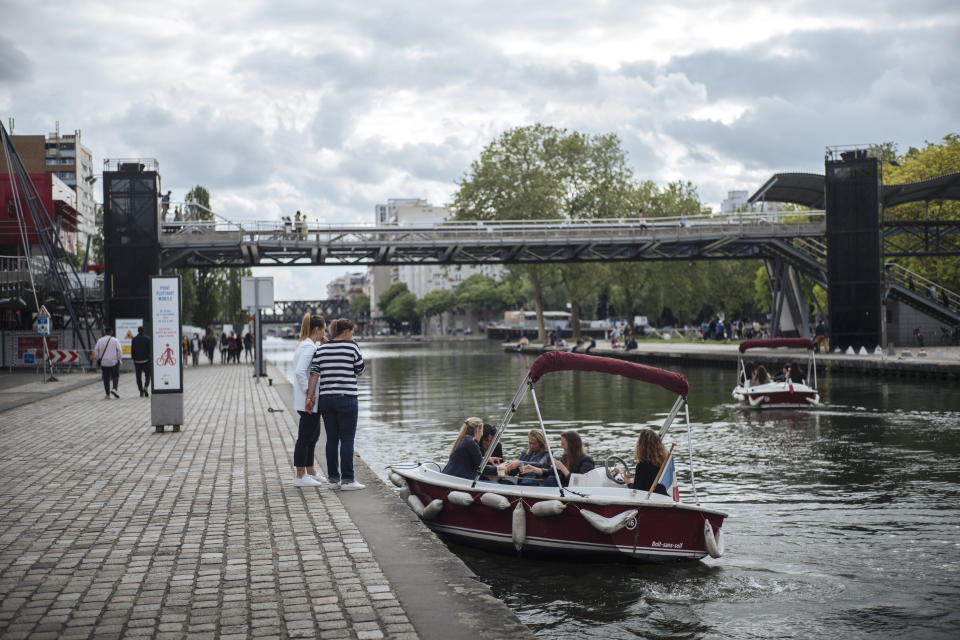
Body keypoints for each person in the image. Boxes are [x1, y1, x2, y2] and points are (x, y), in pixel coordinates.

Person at [305, 318, 365, 490]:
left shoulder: (321, 349)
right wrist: (354, 347)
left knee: (331, 439)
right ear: (346, 332)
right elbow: (360, 370)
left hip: (326, 399)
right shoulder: (352, 346)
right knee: (347, 439)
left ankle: (333, 479)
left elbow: (314, 375)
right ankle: (348, 480)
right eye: (352, 332)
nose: (352, 335)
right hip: (347, 398)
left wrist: (310, 398)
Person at [292, 314, 327, 487]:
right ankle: (300, 475)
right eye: (323, 329)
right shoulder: (309, 348)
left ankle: (310, 471)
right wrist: (309, 393)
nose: (324, 332)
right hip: (308, 400)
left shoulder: (307, 345)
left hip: (308, 400)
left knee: (313, 436)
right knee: (305, 437)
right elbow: (300, 371)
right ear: (317, 329)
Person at [621, 429, 669, 496]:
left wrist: (628, 483)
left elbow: (637, 491)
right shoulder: (665, 463)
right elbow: (650, 482)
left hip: (651, 500)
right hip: (665, 497)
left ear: (641, 446)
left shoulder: (642, 466)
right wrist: (633, 481)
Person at [93, 327, 123, 399]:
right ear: (111, 332)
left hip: (104, 362)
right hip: (114, 362)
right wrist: (119, 359)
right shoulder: (115, 340)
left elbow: (96, 350)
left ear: (105, 332)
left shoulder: (100, 340)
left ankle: (107, 394)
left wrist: (98, 358)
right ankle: (114, 389)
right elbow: (119, 350)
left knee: (106, 378)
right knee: (115, 376)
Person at [131, 327, 151, 398]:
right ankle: (146, 387)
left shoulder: (134, 339)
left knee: (138, 377)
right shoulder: (148, 339)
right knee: (148, 375)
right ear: (143, 331)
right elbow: (149, 350)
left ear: (138, 331)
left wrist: (133, 359)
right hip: (146, 361)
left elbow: (132, 351)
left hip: (137, 361)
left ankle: (141, 391)